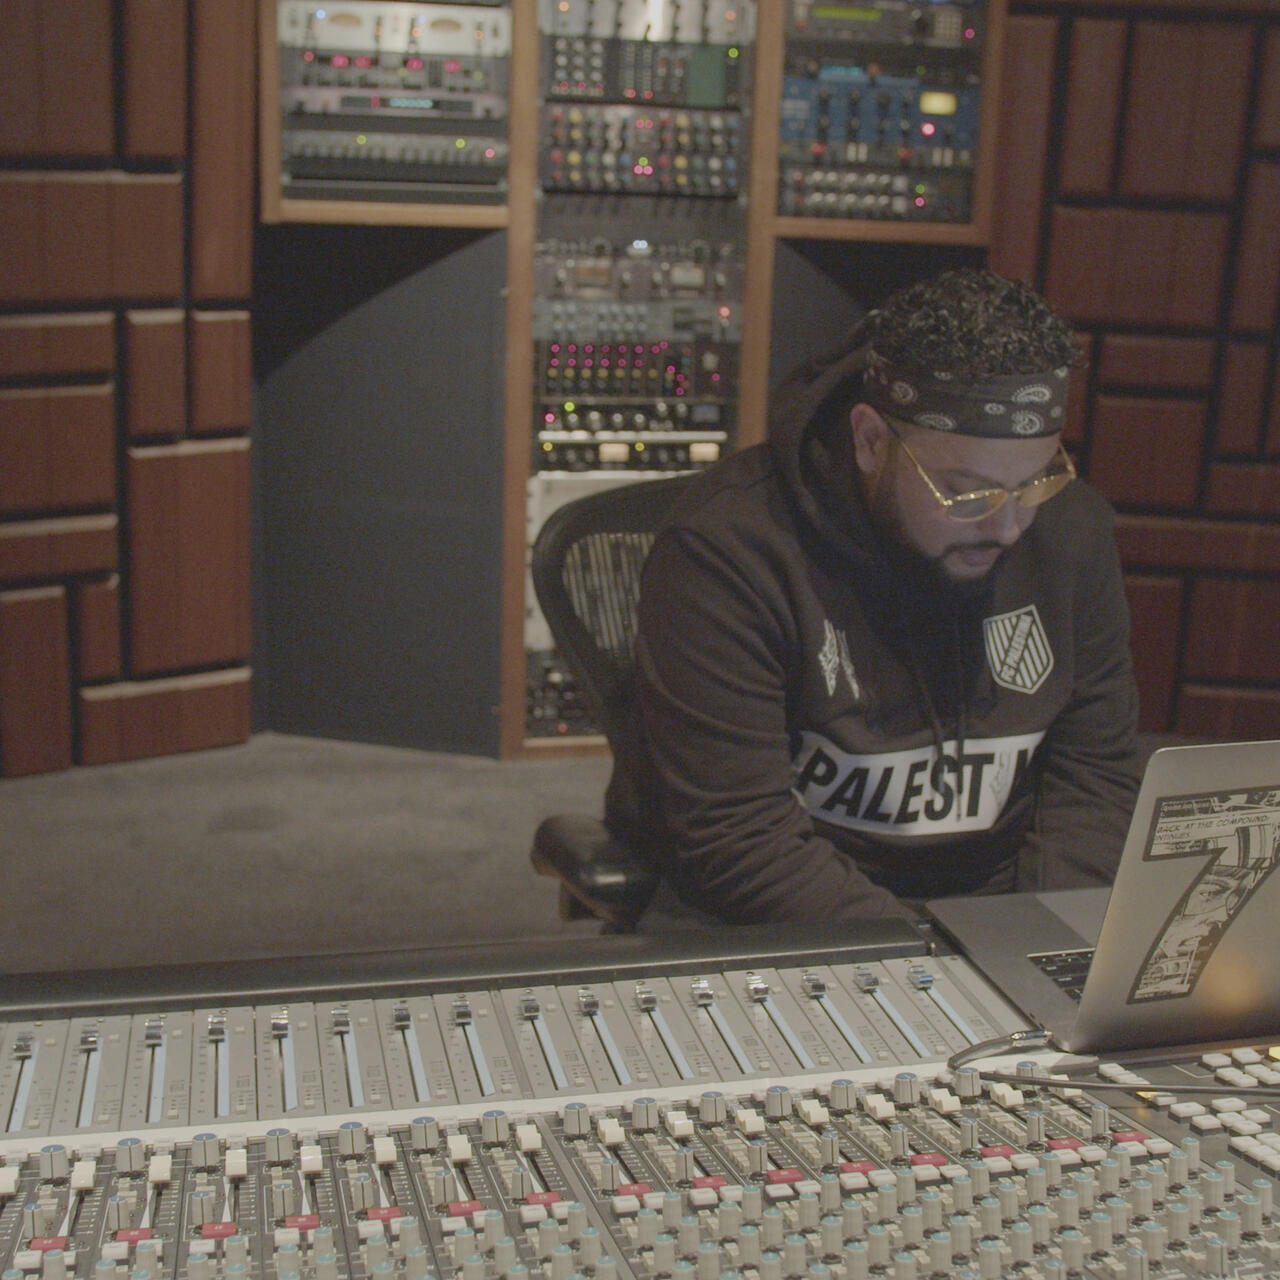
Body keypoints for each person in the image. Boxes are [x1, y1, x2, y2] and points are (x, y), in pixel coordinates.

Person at [604, 267, 1141, 923]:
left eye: (1035, 480)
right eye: (966, 491)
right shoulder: (727, 548)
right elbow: (740, 839)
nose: (1008, 525)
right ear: (870, 440)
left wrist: (1038, 936)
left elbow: (1095, 775)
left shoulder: (1071, 530)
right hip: (783, 918)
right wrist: (931, 976)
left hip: (1001, 909)